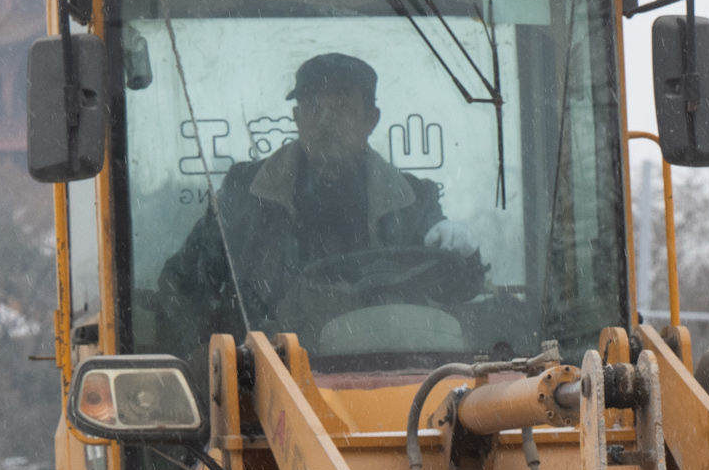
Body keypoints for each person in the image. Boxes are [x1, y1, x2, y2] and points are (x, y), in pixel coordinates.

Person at [157, 51, 483, 349]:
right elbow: (183, 284)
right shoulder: (245, 195)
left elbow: (456, 290)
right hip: (269, 382)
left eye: (341, 107)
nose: (326, 121)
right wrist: (218, 362)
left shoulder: (413, 203)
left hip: (384, 372)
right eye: (314, 107)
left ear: (371, 119)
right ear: (297, 118)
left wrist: (465, 255)